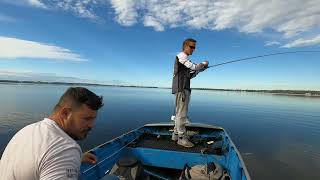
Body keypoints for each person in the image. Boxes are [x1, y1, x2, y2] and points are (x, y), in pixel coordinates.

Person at [0, 87, 104, 179]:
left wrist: (78, 158)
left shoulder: (27, 130)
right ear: (65, 113)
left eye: (93, 119)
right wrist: (70, 157)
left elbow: (40, 159)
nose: (91, 125)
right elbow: (57, 154)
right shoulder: (65, 150)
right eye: (87, 119)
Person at [171, 38, 209, 148]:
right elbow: (194, 67)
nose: (193, 49)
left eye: (194, 47)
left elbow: (191, 74)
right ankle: (182, 138)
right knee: (182, 114)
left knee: (179, 113)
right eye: (191, 47)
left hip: (183, 88)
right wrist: (203, 64)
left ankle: (176, 134)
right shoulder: (181, 56)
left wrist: (201, 69)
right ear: (185, 46)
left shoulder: (185, 60)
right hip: (182, 89)